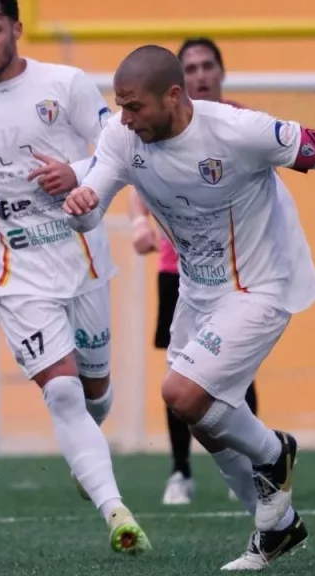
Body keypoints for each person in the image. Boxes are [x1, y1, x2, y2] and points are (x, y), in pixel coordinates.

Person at [63, 45, 315, 570]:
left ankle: (273, 451)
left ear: (173, 96)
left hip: (261, 286)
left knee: (180, 392)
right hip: (198, 291)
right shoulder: (123, 138)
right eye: (119, 106)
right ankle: (277, 529)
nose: (123, 118)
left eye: (134, 107)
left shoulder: (238, 131)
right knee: (199, 417)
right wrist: (80, 206)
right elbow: (91, 205)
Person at [0, 0, 149, 554]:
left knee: (96, 395)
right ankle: (117, 512)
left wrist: (76, 172)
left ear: (17, 28)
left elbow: (119, 146)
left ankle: (86, 457)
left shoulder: (66, 84)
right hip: (15, 270)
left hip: (82, 258)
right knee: (64, 392)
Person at [128, 37, 260, 506]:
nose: (201, 75)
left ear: (221, 72)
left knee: (238, 371)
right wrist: (139, 223)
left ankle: (251, 466)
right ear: (176, 83)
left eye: (207, 65)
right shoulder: (160, 128)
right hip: (178, 270)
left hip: (237, 272)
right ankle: (181, 471)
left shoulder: (243, 123)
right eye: (191, 68)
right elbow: (135, 178)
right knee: (179, 371)